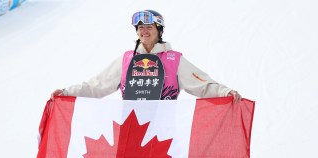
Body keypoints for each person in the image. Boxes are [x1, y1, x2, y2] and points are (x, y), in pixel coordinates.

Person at [51, 10, 241, 103]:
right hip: (131, 127)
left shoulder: (173, 60)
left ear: (159, 31)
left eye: (149, 27)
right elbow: (96, 85)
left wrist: (225, 92)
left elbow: (201, 83)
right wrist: (67, 92)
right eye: (140, 28)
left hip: (164, 132)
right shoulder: (127, 60)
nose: (144, 31)